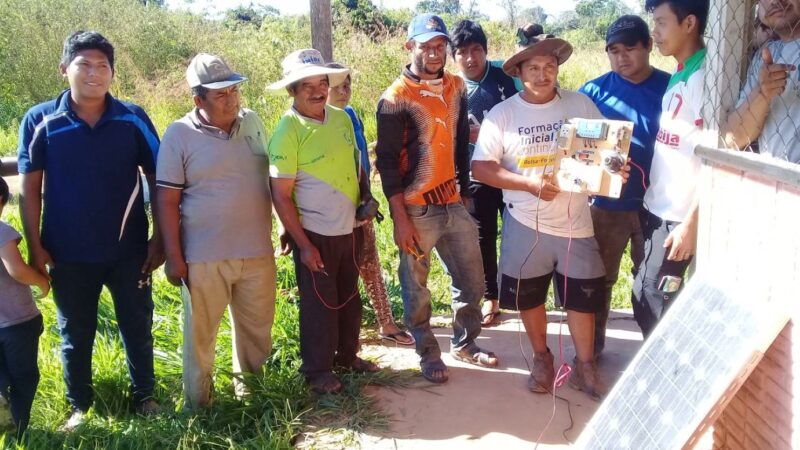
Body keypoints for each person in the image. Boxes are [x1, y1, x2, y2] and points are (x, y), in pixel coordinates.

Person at [17, 31, 163, 430]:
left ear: (112, 73)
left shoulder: (132, 117)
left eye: (103, 66)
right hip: (67, 251)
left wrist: (161, 238)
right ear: (65, 69)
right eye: (84, 65)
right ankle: (79, 404)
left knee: (137, 323)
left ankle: (145, 396)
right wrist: (35, 247)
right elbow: (30, 190)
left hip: (130, 250)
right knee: (74, 332)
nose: (94, 73)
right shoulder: (40, 119)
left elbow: (160, 177)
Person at [472, 25, 616, 400]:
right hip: (524, 220)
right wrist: (529, 185)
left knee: (582, 299)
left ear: (557, 68)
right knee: (529, 297)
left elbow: (604, 152)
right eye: (532, 67)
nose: (542, 74)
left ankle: (586, 365)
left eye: (548, 65)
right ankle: (542, 357)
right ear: (518, 72)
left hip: (576, 223)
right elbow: (481, 168)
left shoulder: (580, 105)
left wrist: (615, 168)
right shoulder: (502, 115)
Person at [375, 13, 497, 385]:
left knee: (472, 278)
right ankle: (427, 351)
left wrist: (463, 191)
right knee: (416, 283)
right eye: (426, 46)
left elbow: (461, 143)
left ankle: (465, 341)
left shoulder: (456, 87)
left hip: (452, 200)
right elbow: (387, 163)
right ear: (410, 46)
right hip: (416, 207)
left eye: (440, 46)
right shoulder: (396, 98)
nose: (434, 53)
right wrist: (400, 217)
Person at [156, 53, 277, 409]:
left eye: (234, 90)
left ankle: (257, 400)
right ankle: (199, 408)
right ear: (198, 100)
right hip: (203, 257)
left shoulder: (252, 122)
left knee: (257, 332)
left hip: (257, 252)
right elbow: (166, 202)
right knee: (200, 339)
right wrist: (174, 258)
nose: (232, 99)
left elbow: (271, 180)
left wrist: (284, 226)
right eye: (220, 94)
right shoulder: (179, 135)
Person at [268, 49, 380, 394]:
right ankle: (317, 371)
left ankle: (348, 356)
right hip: (315, 233)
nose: (319, 91)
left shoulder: (342, 118)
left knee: (349, 297)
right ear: (292, 91)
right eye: (308, 86)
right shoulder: (288, 131)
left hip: (349, 227)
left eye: (323, 83)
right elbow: (280, 194)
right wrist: (303, 244)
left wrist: (366, 197)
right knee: (319, 305)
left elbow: (356, 163)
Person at [578, 15, 671, 357]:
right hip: (607, 207)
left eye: (630, 47)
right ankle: (592, 351)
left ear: (648, 46)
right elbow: (577, 150)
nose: (621, 57)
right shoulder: (592, 91)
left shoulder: (673, 86)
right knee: (599, 281)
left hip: (657, 205)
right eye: (613, 50)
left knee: (655, 285)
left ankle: (657, 353)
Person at [633, 0, 710, 337]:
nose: (656, 33)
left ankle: (670, 379)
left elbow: (717, 159)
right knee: (644, 295)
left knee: (654, 299)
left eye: (662, 23)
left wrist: (691, 224)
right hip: (657, 209)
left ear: (689, 23)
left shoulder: (707, 79)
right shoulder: (681, 70)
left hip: (680, 217)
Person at [323, 63, 414, 346]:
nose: (344, 90)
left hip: (361, 202)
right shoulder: (314, 122)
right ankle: (341, 335)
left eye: (347, 84)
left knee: (370, 264)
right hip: (329, 212)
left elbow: (359, 158)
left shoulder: (350, 115)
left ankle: (386, 323)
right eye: (336, 86)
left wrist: (367, 195)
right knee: (337, 272)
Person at [450, 19, 520, 326]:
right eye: (462, 51)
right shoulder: (451, 89)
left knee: (518, 234)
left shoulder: (508, 74)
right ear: (454, 56)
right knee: (483, 239)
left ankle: (521, 294)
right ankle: (492, 298)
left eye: (476, 49)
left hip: (514, 172)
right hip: (475, 175)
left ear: (486, 51)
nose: (470, 58)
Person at [0, 177, 49, 437]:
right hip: (17, 322)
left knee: (2, 375)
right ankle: (17, 428)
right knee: (23, 377)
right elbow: (17, 270)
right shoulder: (2, 231)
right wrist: (41, 281)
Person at [724, 0, 800, 163]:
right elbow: (733, 138)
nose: (774, 1)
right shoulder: (765, 56)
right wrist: (763, 93)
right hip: (771, 180)